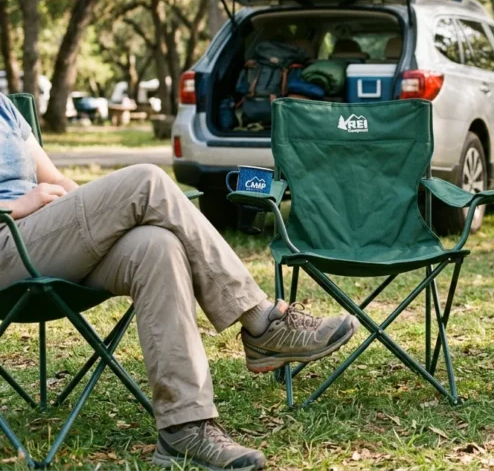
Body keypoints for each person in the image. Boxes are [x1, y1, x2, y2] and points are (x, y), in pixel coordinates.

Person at [0, 93, 357, 470]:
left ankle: (183, 428)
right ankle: (261, 321)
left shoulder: (4, 106)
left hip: (46, 239)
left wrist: (90, 209)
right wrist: (12, 206)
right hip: (6, 244)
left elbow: (53, 178)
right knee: (146, 180)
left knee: (158, 246)